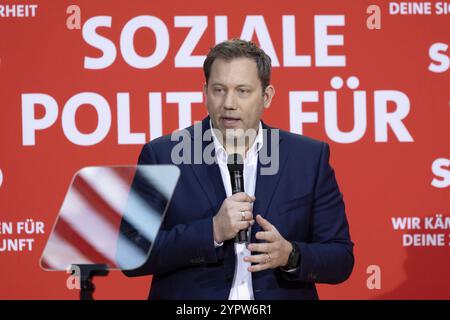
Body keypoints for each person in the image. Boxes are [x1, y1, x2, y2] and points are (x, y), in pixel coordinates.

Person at [120, 39, 354, 300]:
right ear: (205, 91)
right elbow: (131, 253)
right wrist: (211, 232)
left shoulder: (307, 158)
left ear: (266, 96)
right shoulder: (164, 154)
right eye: (219, 89)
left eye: (242, 91)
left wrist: (290, 255)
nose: (228, 103)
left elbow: (340, 258)